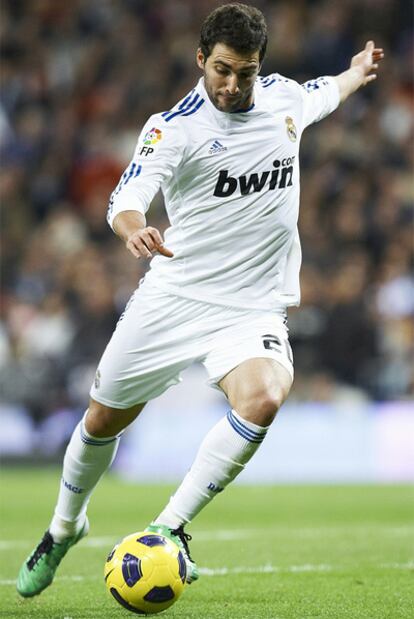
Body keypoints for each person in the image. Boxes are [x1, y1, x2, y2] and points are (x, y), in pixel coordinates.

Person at [17, 2, 384, 597]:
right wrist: (133, 226)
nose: (233, 85)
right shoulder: (174, 127)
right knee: (103, 417)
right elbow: (127, 195)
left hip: (251, 306)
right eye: (221, 70)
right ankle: (64, 528)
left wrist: (355, 70)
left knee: (264, 397)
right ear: (200, 60)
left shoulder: (282, 100)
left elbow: (326, 92)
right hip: (176, 295)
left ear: (260, 67)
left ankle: (168, 526)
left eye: (245, 72)